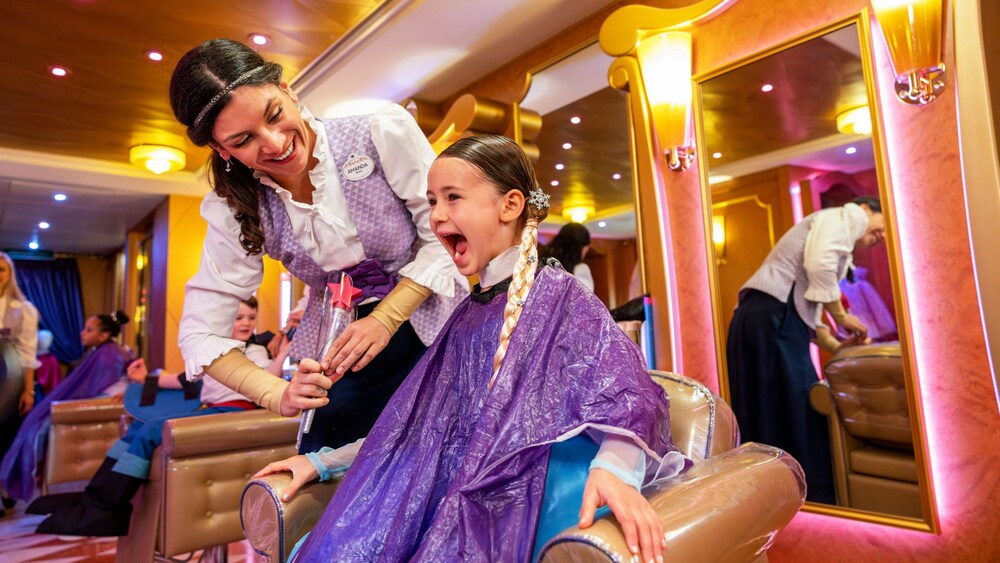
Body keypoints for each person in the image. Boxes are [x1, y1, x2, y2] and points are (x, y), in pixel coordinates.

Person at [259, 135, 687, 563]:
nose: (437, 215)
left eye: (453, 198)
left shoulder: (560, 297)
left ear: (510, 205)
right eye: (431, 202)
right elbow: (416, 427)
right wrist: (322, 462)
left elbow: (629, 398)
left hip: (527, 491)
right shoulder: (469, 315)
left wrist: (614, 470)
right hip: (457, 485)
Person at [169, 38, 467, 453]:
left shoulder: (378, 129)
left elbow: (449, 233)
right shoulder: (234, 204)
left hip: (435, 324)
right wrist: (277, 393)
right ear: (222, 150)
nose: (273, 143)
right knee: (339, 469)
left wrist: (384, 319)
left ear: (288, 89)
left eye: (274, 115)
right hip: (341, 353)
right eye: (243, 140)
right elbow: (200, 333)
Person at [30, 297, 288, 536]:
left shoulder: (254, 351)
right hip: (211, 408)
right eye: (238, 317)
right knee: (136, 428)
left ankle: (109, 506)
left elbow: (268, 382)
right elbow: (186, 379)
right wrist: (146, 379)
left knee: (154, 429)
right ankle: (94, 496)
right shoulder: (216, 348)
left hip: (235, 411)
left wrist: (281, 355)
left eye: (251, 317)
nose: (246, 323)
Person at [726, 195, 885, 504]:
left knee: (780, 406)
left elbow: (808, 315)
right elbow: (819, 265)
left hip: (769, 321)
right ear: (865, 209)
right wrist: (840, 315)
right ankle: (803, 496)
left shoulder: (835, 231)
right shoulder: (843, 215)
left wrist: (839, 346)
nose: (879, 239)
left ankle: (779, 496)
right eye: (880, 229)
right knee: (795, 403)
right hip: (768, 319)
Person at [0, 311, 132, 504]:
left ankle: (16, 480)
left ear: (103, 335)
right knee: (36, 421)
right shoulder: (102, 352)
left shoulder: (110, 354)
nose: (82, 333)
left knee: (39, 424)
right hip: (91, 405)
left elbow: (92, 387)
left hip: (94, 409)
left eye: (89, 330)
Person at [0, 252, 40, 516]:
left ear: (9, 274)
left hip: (9, 377)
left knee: (5, 437)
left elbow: (28, 353)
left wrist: (28, 389)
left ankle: (5, 488)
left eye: (1, 270)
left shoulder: (22, 309)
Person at [539, 222, 594, 291]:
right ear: (582, 248)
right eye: (585, 251)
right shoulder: (581, 269)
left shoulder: (543, 264)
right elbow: (586, 298)